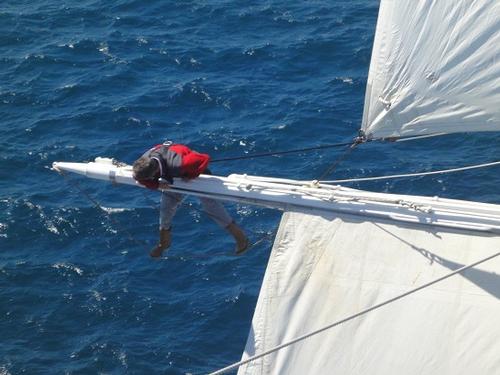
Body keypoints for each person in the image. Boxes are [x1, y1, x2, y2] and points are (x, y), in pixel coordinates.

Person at [132, 141, 249, 257]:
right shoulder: (143, 161)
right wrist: (156, 185)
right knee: (166, 209)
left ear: (154, 172)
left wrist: (191, 175)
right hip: (171, 176)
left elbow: (204, 158)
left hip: (191, 172)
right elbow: (140, 179)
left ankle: (241, 238)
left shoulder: (181, 163)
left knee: (211, 207)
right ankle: (164, 243)